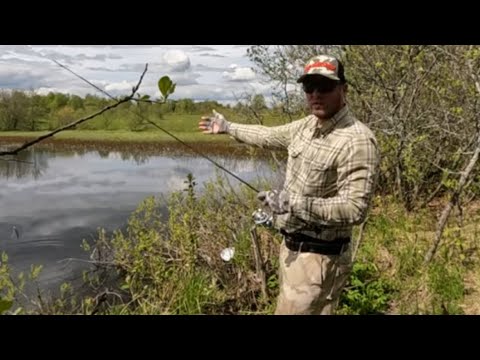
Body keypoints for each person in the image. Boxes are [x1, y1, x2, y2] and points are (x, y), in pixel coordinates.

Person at [198, 54, 380, 315]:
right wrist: (227, 127)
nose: (316, 94)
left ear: (344, 89)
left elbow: (355, 209)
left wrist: (292, 203)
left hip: (320, 258)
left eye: (325, 86)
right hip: (292, 251)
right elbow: (268, 135)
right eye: (309, 87)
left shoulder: (357, 140)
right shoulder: (306, 126)